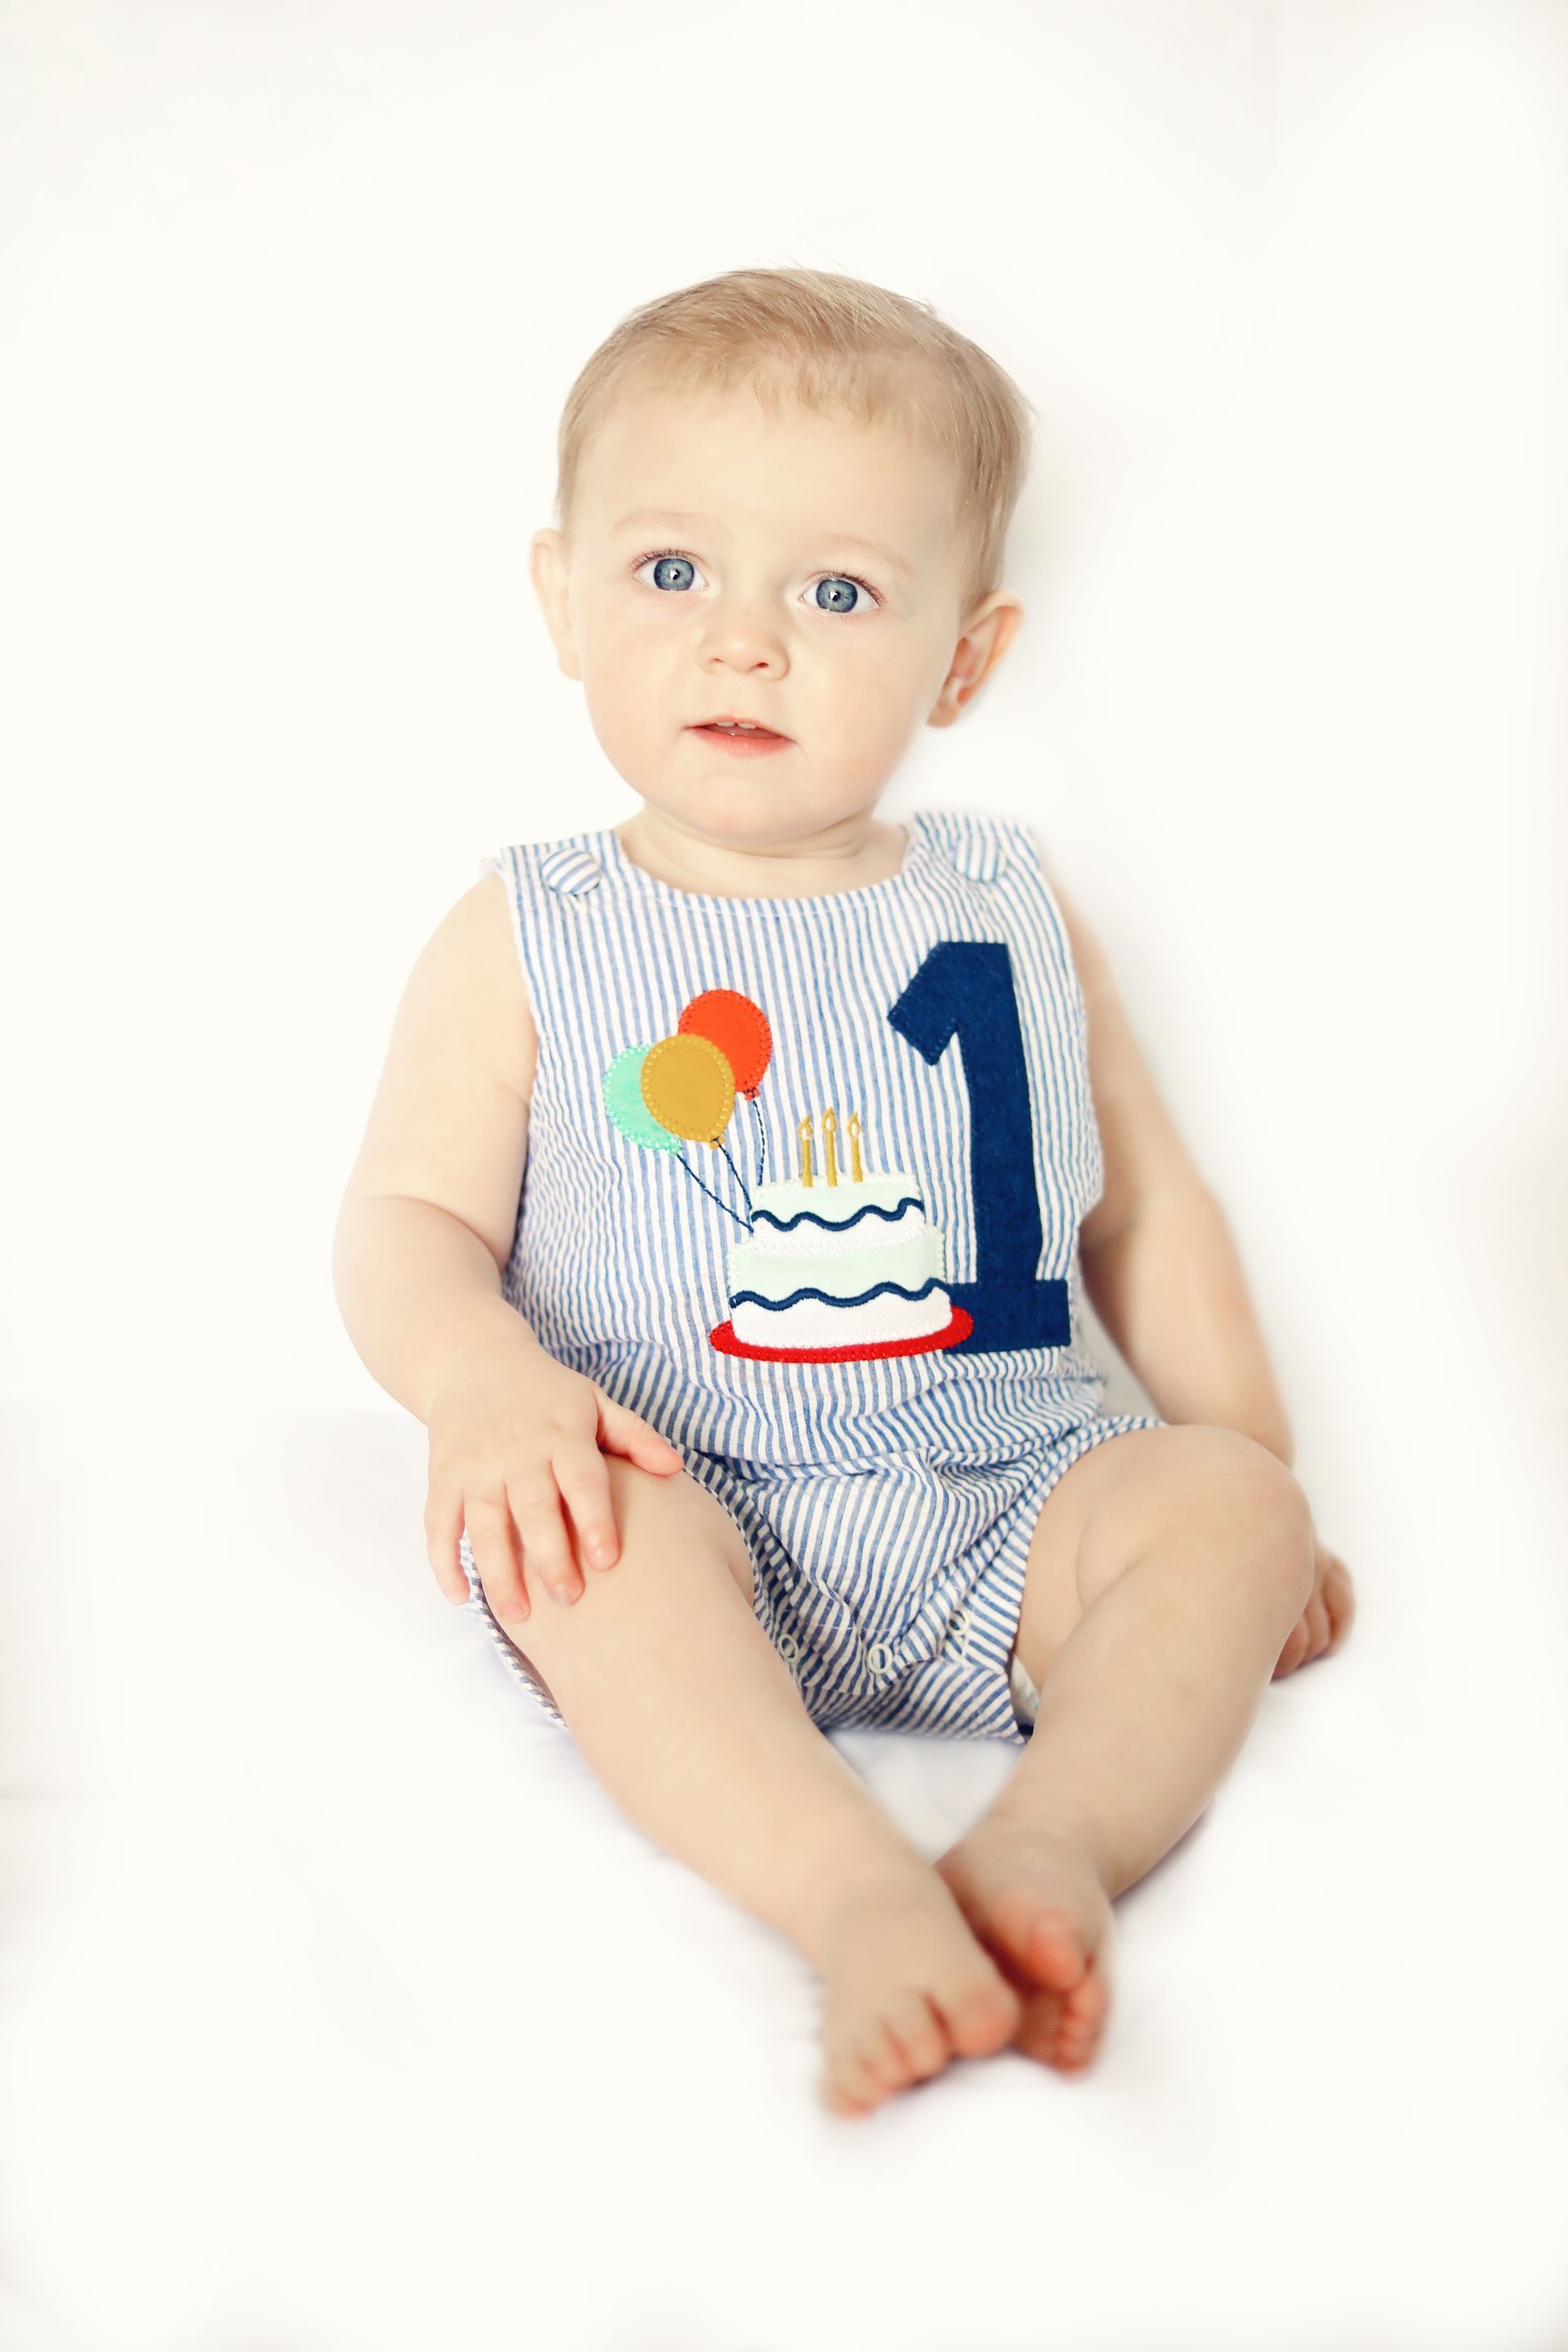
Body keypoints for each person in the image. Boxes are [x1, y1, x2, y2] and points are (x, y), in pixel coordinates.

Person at [332, 266, 1356, 2121]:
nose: (745, 645)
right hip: (686, 1489)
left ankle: (1049, 1848)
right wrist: (482, 1382)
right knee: (586, 1564)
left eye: (837, 593)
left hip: (1022, 1501)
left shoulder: (1012, 907)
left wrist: (1257, 1479)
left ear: (964, 656)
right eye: (672, 572)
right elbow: (410, 1222)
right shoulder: (528, 933)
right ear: (560, 599)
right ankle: (857, 1897)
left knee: (1224, 1508)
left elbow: (1144, 1210)